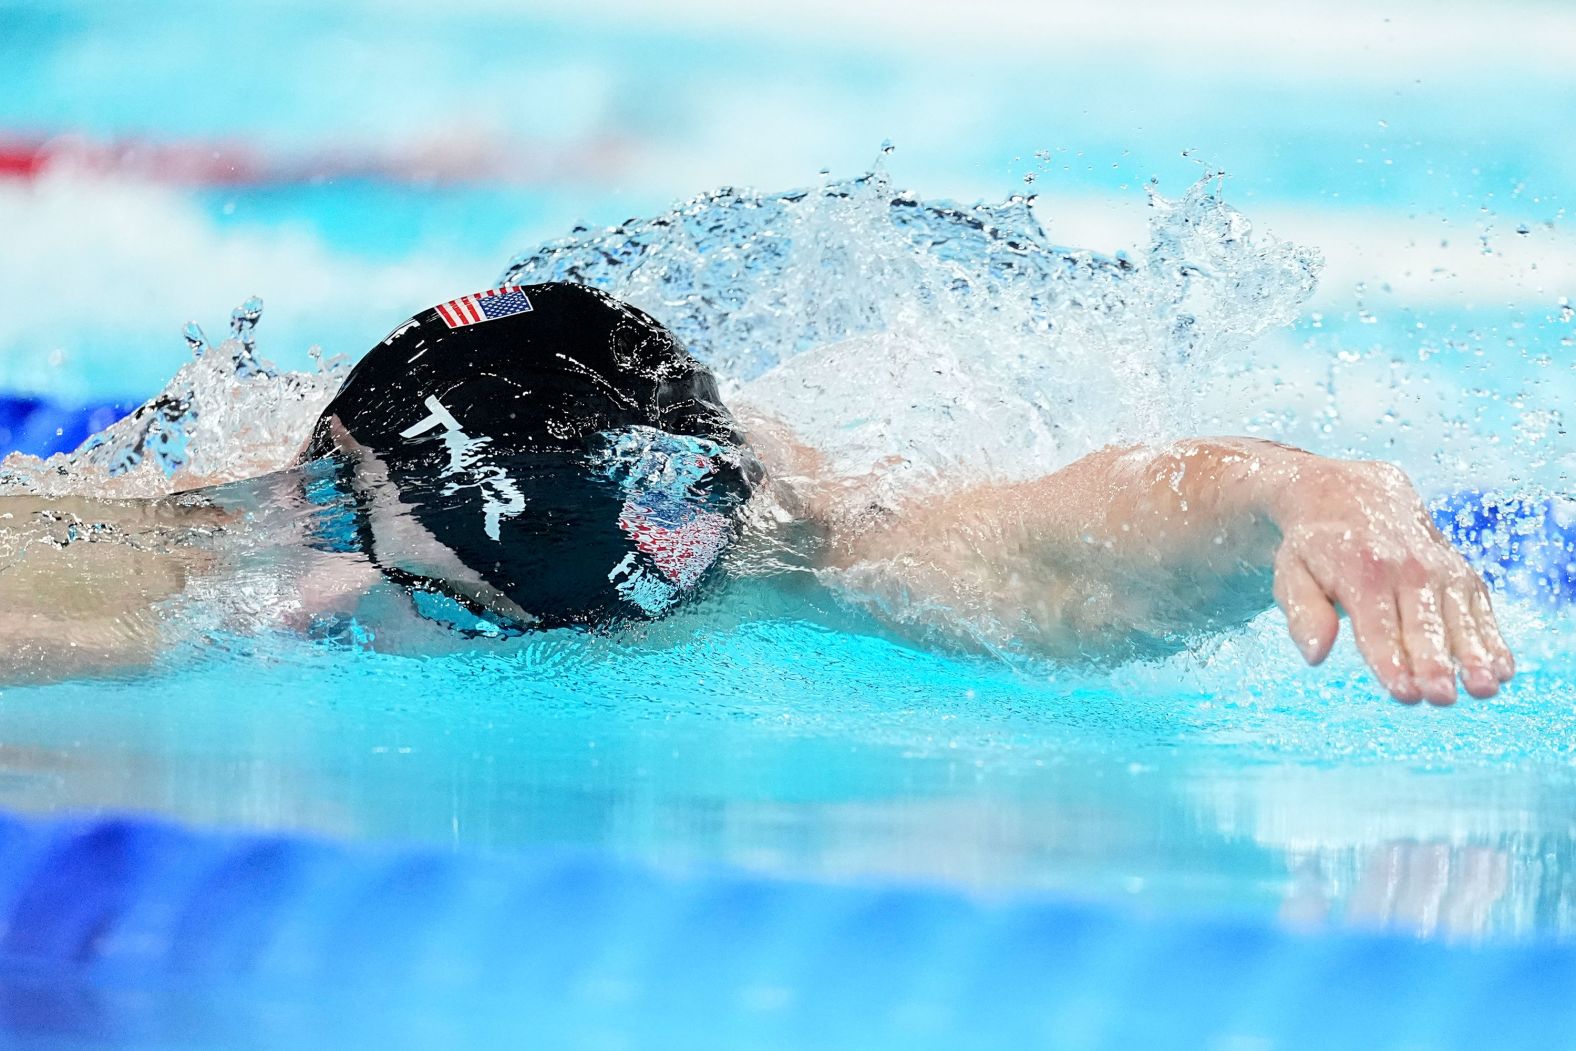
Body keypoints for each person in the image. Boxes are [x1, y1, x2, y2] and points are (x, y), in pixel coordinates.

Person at [0, 282, 1514, 704]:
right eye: (322, 503)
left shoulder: (796, 564)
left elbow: (1063, 549)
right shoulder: (202, 515)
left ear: (627, 612)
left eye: (447, 609)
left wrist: (1296, 493)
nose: (317, 582)